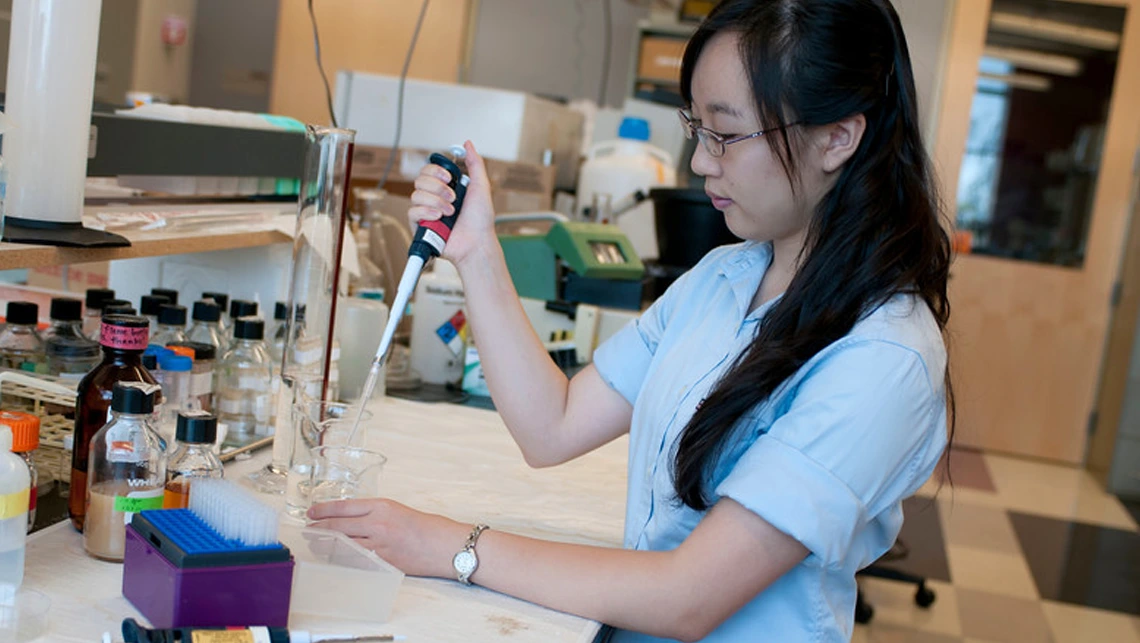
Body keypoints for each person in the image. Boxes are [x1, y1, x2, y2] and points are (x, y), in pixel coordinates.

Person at [309, 0, 954, 640]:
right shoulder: (723, 278)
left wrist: (450, 546)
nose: (701, 161)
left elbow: (687, 598)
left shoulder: (883, 359)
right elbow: (552, 425)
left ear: (837, 137)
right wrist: (477, 252)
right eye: (696, 128)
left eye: (726, 134)